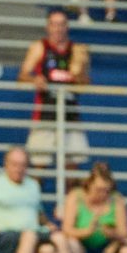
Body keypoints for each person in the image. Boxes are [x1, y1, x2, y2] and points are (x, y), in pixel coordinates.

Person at [18, 9, 91, 170]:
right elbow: (22, 75)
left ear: (67, 26)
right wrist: (35, 79)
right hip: (45, 113)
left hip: (70, 114)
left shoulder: (78, 50)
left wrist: (79, 74)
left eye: (62, 24)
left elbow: (85, 83)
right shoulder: (39, 47)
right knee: (39, 167)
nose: (58, 29)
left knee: (72, 170)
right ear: (48, 27)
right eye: (54, 24)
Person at [61, 162, 127, 253]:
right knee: (72, 244)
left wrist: (111, 233)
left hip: (107, 245)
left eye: (106, 191)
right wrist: (86, 232)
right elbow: (66, 229)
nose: (102, 194)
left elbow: (124, 232)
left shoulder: (117, 199)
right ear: (89, 184)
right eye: (98, 190)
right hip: (82, 244)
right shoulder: (75, 196)